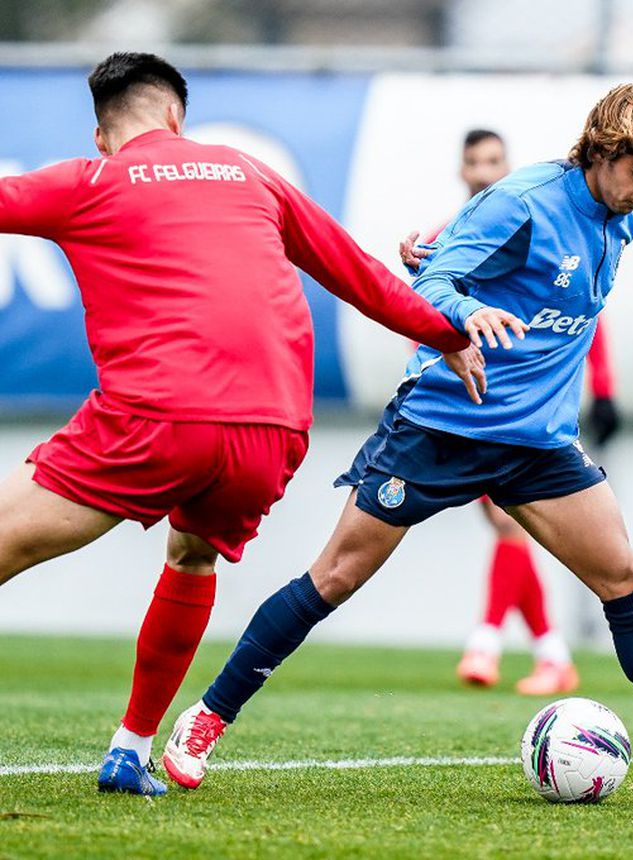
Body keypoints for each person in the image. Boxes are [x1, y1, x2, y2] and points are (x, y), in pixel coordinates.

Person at [163, 80, 633, 808]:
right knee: (336, 576)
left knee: (626, 575)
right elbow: (431, 280)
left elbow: (452, 246)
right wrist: (466, 307)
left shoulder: (620, 221)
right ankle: (206, 718)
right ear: (604, 150)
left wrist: (445, 240)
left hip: (537, 443)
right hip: (445, 426)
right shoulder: (525, 200)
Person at [0, 51, 478, 796]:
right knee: (191, 555)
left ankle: (133, 749)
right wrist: (446, 333)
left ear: (103, 135)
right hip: (272, 431)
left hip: (158, 418)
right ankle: (131, 750)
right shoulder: (248, 171)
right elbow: (355, 270)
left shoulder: (89, 179)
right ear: (176, 117)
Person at [401, 128, 621, 695]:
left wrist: (604, 388)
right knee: (508, 527)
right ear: (462, 170)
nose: (484, 170)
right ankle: (549, 652)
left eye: (494, 159)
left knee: (508, 523)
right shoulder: (459, 230)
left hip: (523, 404)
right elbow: (430, 293)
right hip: (463, 399)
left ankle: (492, 643)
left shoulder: (540, 218)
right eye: (474, 160)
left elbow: (583, 310)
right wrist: (415, 268)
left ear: (507, 164)